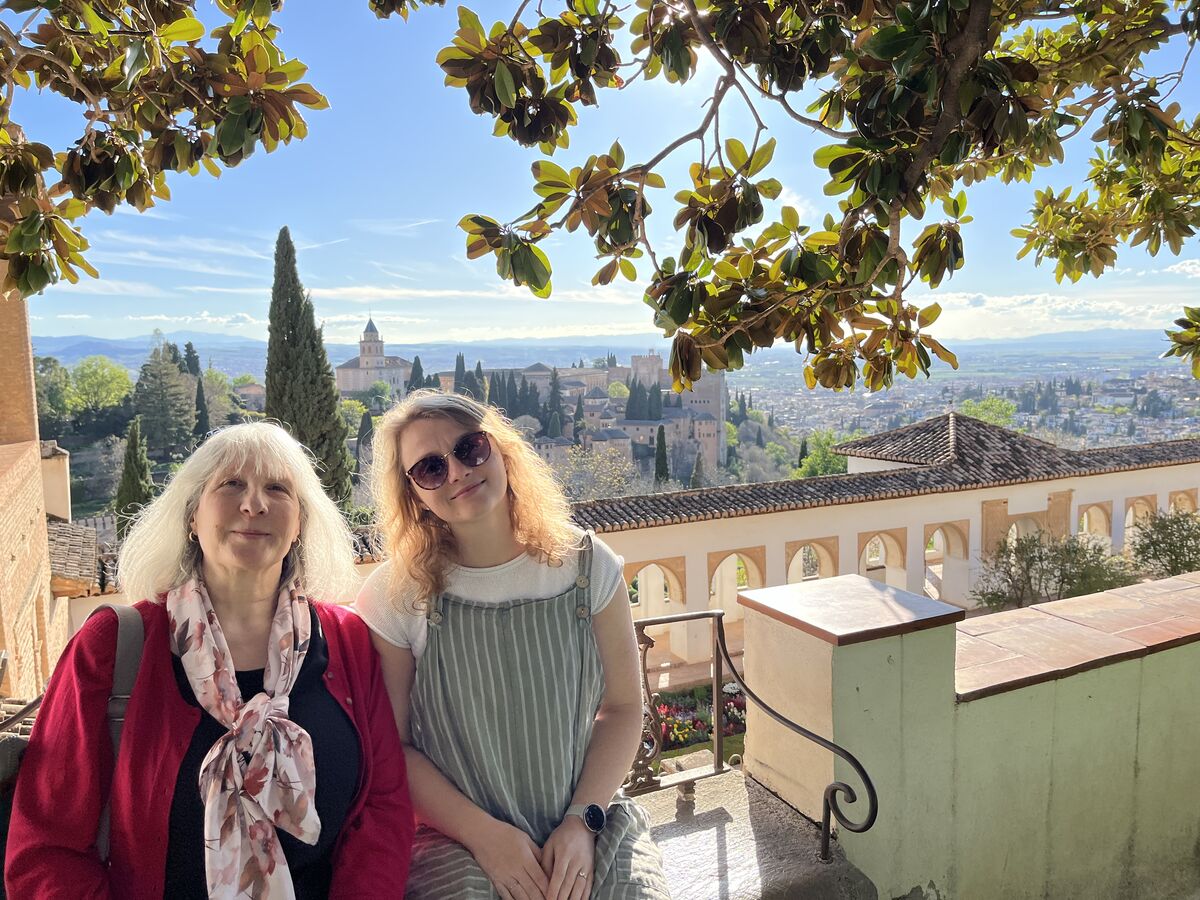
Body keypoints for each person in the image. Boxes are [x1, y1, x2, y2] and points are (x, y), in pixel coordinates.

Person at [6, 422, 414, 899]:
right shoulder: (114, 647)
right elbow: (46, 847)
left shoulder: (348, 644)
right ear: (192, 518)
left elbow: (383, 806)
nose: (254, 504)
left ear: (300, 522)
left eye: (276, 488)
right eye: (231, 484)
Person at [356, 390, 670, 900]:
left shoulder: (588, 565)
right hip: (457, 841)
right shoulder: (398, 595)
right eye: (431, 468)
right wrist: (485, 836)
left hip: (588, 823)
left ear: (502, 450)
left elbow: (623, 708)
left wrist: (581, 822)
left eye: (470, 449)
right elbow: (394, 749)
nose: (457, 472)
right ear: (413, 493)